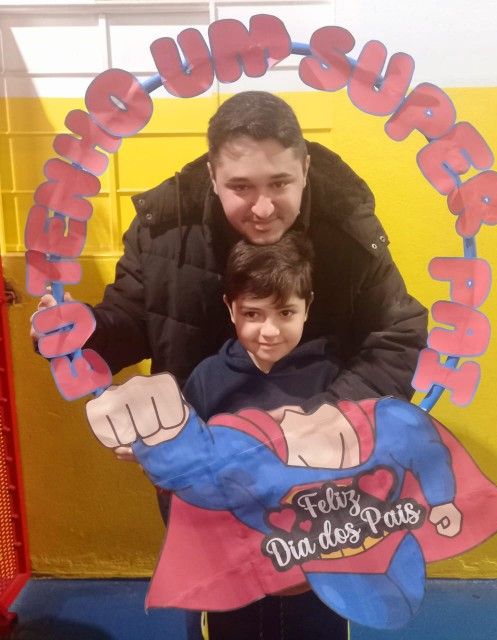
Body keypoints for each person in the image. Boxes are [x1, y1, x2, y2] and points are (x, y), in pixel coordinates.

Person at [80, 90, 427, 405]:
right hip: (197, 442)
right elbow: (130, 322)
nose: (263, 209)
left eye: (279, 183)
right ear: (213, 177)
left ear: (305, 169)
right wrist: (79, 330)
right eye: (241, 187)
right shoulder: (163, 230)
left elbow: (399, 335)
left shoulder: (347, 226)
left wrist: (335, 416)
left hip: (320, 447)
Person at [179, 232, 346, 640]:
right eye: (253, 314)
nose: (269, 331)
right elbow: (186, 471)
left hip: (316, 565)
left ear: (308, 307)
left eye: (285, 312)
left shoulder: (332, 378)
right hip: (233, 564)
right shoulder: (207, 380)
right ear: (230, 308)